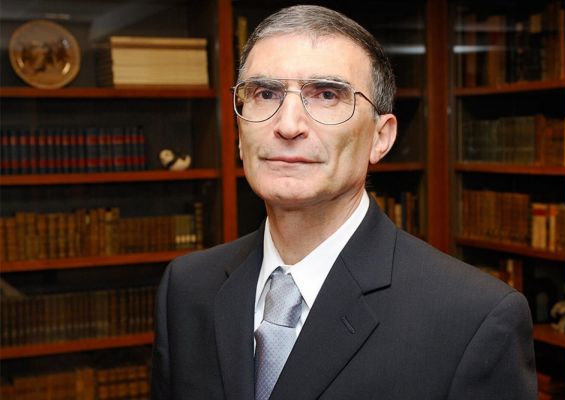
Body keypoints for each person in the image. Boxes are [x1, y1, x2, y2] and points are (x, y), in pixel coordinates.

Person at [151, 5, 537, 400]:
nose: (288, 125)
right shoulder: (188, 288)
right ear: (239, 132)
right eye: (265, 94)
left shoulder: (474, 318)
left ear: (380, 138)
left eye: (326, 95)